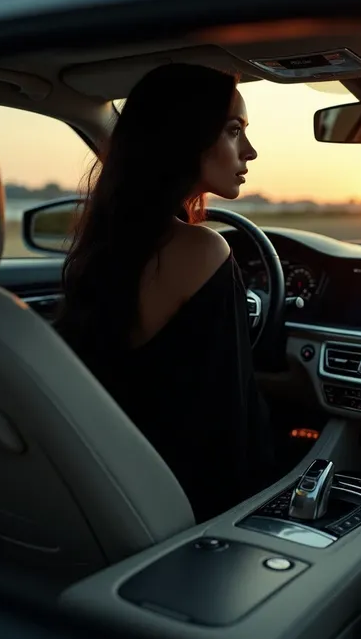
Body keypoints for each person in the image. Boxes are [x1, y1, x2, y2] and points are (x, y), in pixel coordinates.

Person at [55, 63, 278, 522]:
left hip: (108, 494)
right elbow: (231, 426)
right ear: (185, 136)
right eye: (234, 131)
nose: (250, 151)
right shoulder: (202, 249)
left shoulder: (106, 246)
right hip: (190, 516)